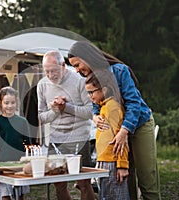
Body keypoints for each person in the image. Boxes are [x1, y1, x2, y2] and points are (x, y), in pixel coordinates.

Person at [68, 41, 161, 200]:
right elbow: (96, 105)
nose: (76, 70)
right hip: (116, 129)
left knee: (146, 176)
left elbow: (133, 103)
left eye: (77, 65)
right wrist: (95, 116)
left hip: (139, 125)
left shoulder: (119, 71)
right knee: (124, 177)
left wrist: (125, 130)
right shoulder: (90, 79)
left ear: (87, 57)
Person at [37, 50, 96, 200]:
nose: (50, 76)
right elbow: (41, 117)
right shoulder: (42, 85)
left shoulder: (80, 81)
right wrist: (56, 110)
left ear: (63, 65)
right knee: (59, 183)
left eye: (54, 71)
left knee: (84, 182)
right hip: (55, 139)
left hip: (79, 138)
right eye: (47, 71)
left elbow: (90, 112)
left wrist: (67, 107)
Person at [85, 71, 129, 199]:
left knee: (116, 196)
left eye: (91, 92)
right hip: (104, 161)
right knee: (106, 196)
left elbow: (122, 141)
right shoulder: (103, 107)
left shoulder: (112, 107)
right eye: (88, 93)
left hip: (113, 163)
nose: (89, 96)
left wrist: (122, 166)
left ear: (104, 89)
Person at [0, 86, 31, 200]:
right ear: (0, 103)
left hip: (20, 166)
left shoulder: (22, 122)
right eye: (6, 103)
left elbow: (28, 145)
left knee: (20, 196)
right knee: (5, 196)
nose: (9, 106)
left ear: (16, 102)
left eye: (12, 102)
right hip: (3, 167)